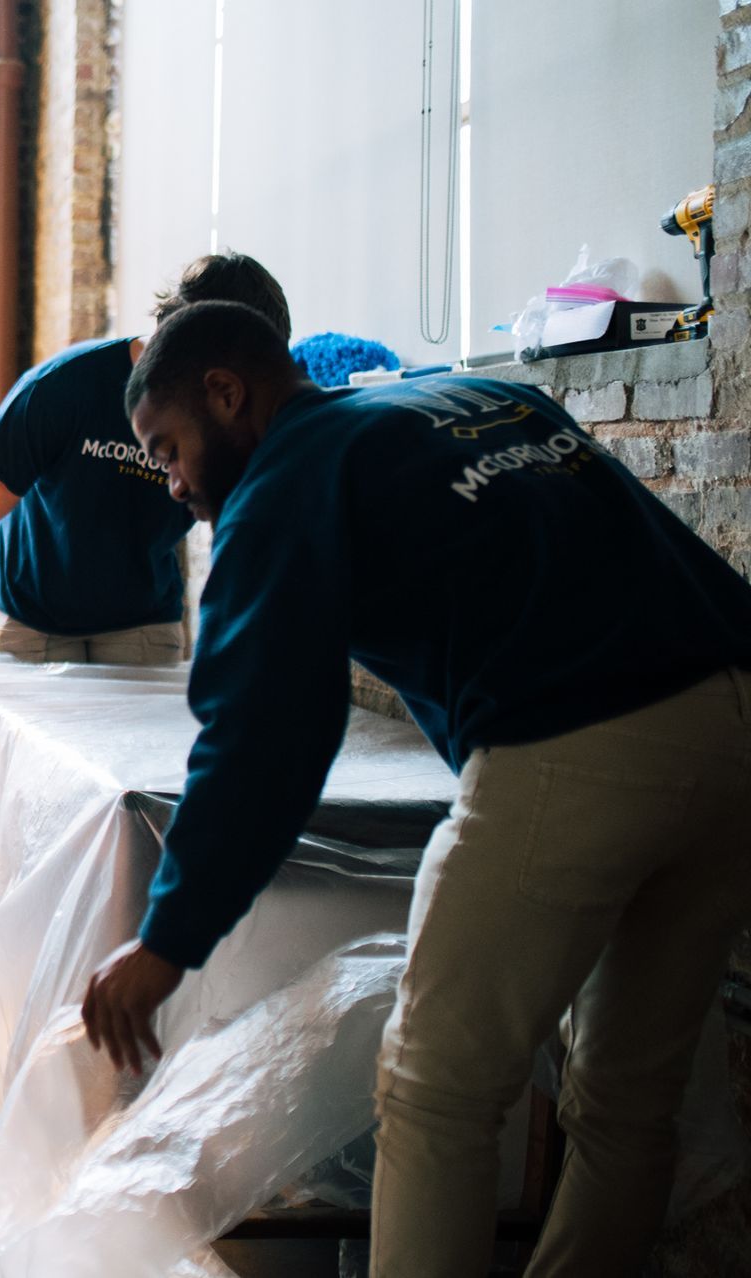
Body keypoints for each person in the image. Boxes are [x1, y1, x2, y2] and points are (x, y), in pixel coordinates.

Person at [81, 300, 751, 1275]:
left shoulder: (283, 483)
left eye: (169, 448)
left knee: (439, 1086)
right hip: (736, 722)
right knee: (623, 1102)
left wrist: (168, 941)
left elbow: (262, 740)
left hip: (576, 740)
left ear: (228, 394)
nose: (173, 484)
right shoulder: (479, 397)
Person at [0, 254, 292, 729]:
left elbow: (243, 538)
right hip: (33, 617)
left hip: (142, 620)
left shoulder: (237, 418)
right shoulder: (63, 387)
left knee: (136, 773)